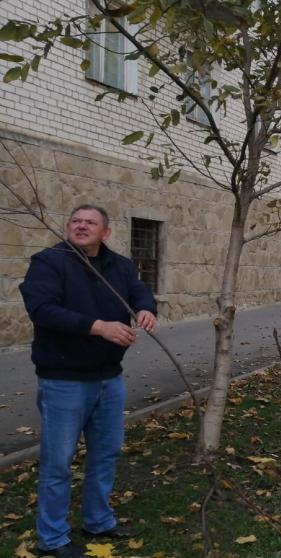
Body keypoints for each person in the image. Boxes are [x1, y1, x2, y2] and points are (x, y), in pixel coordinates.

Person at [20, 205, 157, 558]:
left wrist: (146, 309)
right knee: (58, 461)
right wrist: (98, 327)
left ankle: (98, 521)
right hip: (64, 380)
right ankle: (51, 539)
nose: (81, 226)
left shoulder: (119, 265)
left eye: (90, 222)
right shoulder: (49, 262)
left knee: (105, 454)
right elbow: (42, 309)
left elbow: (139, 290)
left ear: (105, 233)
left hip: (109, 379)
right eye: (76, 221)